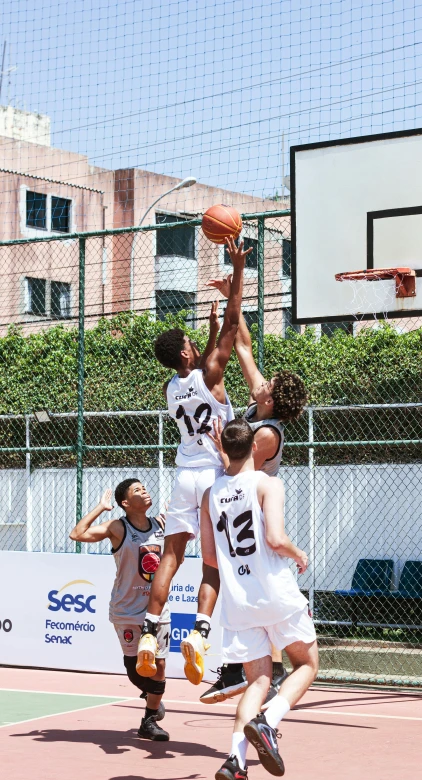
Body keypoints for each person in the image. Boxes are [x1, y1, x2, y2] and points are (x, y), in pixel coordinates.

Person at [136, 237, 250, 683]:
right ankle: (201, 635)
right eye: (190, 343)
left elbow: (202, 359)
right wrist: (237, 272)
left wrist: (205, 331)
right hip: (215, 477)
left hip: (183, 476)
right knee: (213, 563)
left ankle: (150, 630)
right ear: (187, 354)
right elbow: (234, 324)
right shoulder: (213, 376)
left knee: (171, 556)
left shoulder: (171, 388)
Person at [197, 273, 308, 705]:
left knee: (250, 582)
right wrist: (233, 298)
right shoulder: (258, 404)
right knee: (238, 580)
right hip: (237, 504)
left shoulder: (267, 434)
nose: (261, 381)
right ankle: (247, 669)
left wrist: (214, 443)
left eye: (268, 385)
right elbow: (242, 344)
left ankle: (260, 670)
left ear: (272, 400)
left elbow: (238, 467)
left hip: (257, 510)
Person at [200, 419, 318, 780]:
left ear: (225, 448)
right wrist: (299, 555)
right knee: (307, 665)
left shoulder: (209, 495)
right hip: (275, 593)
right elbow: (276, 538)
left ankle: (234, 761)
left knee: (257, 682)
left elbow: (209, 559)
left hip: (239, 603)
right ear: (255, 447)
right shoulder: (268, 483)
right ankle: (267, 722)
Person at [69, 480, 170, 741]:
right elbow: (77, 534)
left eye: (145, 488)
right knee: (136, 669)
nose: (145, 491)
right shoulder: (118, 527)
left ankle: (148, 721)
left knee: (158, 665)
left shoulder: (161, 524)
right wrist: (100, 508)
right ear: (125, 503)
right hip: (127, 609)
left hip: (157, 608)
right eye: (137, 491)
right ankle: (152, 698)